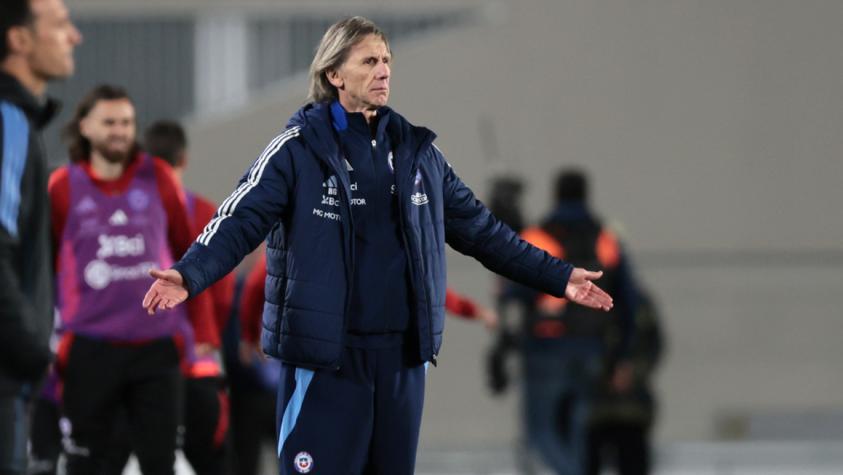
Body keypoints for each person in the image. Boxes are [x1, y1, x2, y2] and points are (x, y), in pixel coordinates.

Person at [143, 16, 613, 475]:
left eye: (386, 60)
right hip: (326, 359)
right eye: (368, 61)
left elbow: (486, 233)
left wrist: (559, 276)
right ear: (334, 74)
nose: (383, 70)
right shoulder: (295, 149)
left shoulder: (420, 154)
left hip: (401, 361)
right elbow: (238, 219)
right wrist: (189, 273)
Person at [48, 85, 215, 475]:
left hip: (155, 349)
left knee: (160, 462)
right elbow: (43, 266)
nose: (120, 131)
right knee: (88, 462)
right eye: (109, 122)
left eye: (126, 122)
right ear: (85, 127)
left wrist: (203, 328)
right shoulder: (62, 186)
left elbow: (190, 253)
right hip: (90, 348)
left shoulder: (156, 176)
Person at [494, 169, 637, 475]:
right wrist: (621, 355)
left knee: (541, 432)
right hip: (592, 350)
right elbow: (629, 302)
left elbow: (514, 288)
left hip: (546, 348)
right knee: (577, 432)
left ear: (556, 194)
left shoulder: (537, 236)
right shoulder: (606, 240)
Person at [0, 1, 80, 473]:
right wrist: (34, 354)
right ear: (20, 40)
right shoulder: (8, 120)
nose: (74, 37)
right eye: (61, 25)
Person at [144, 119, 234, 475]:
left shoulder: (131, 213)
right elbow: (224, 294)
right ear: (184, 159)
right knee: (212, 458)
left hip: (142, 360)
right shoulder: (205, 214)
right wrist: (211, 333)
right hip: (199, 361)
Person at [585, 287, 664, 475]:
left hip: (630, 408)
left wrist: (631, 372)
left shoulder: (636, 301)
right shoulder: (580, 296)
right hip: (591, 407)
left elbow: (653, 344)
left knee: (632, 460)